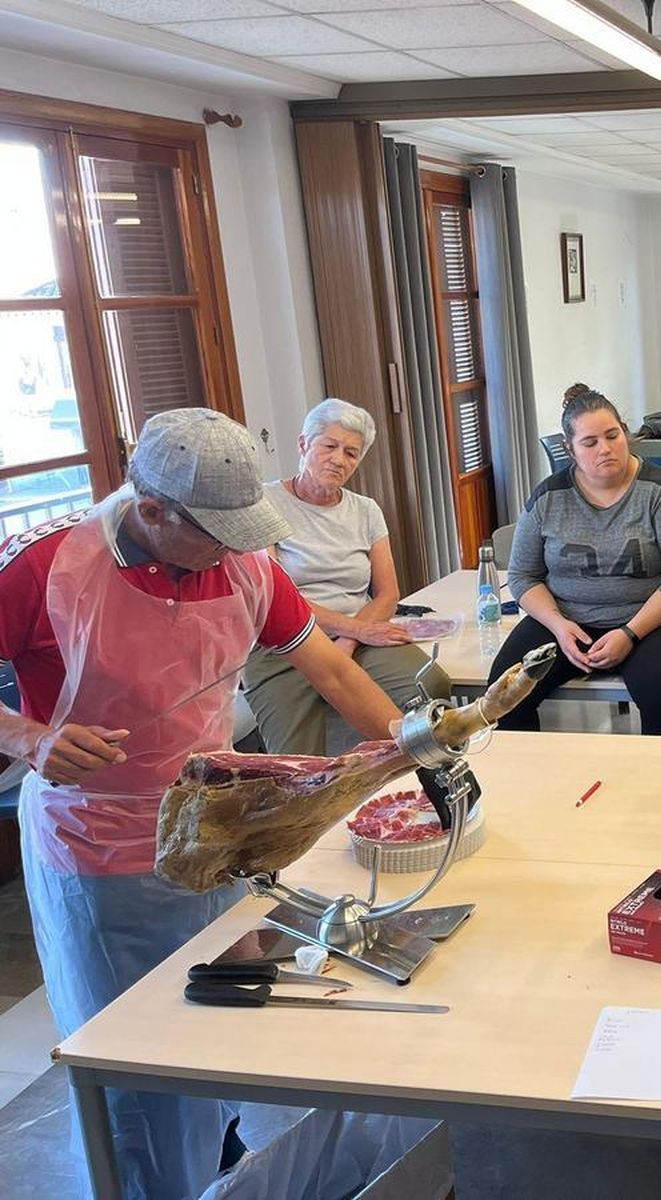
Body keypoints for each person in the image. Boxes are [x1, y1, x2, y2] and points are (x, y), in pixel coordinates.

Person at [0, 409, 409, 1200]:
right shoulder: (46, 567)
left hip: (215, 827)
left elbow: (332, 672)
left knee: (220, 1019)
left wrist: (416, 748)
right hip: (99, 846)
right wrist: (29, 740)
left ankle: (217, 1160)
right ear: (152, 510)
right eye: (214, 534)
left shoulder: (248, 565)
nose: (232, 550)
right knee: (140, 1059)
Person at [490, 383, 661, 735]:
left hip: (655, 619)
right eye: (590, 443)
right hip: (569, 620)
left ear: (625, 433)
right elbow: (523, 576)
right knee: (505, 692)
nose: (605, 449)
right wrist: (559, 627)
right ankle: (530, 783)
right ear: (570, 449)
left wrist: (629, 633)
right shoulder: (549, 497)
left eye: (612, 436)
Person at [244, 398, 450, 754]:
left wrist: (349, 641)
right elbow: (274, 599)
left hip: (359, 636)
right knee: (298, 764)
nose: (339, 460)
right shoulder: (265, 503)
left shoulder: (366, 510)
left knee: (429, 683)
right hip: (282, 644)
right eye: (329, 446)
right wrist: (351, 631)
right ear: (303, 444)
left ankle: (403, 792)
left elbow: (387, 594)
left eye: (352, 453)